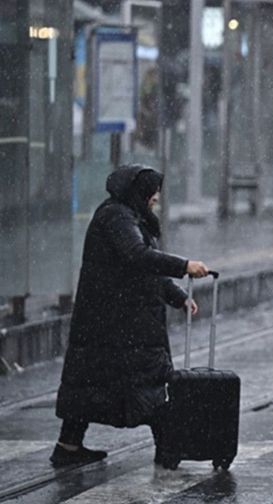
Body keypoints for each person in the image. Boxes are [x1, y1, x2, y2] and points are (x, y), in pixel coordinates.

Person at [52, 164, 210, 467]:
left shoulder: (128, 216)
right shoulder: (116, 217)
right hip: (119, 324)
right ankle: (168, 450)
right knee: (145, 384)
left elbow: (143, 268)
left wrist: (177, 296)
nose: (156, 198)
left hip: (110, 321)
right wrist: (184, 265)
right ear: (138, 192)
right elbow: (138, 258)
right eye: (153, 192)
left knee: (90, 385)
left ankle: (68, 446)